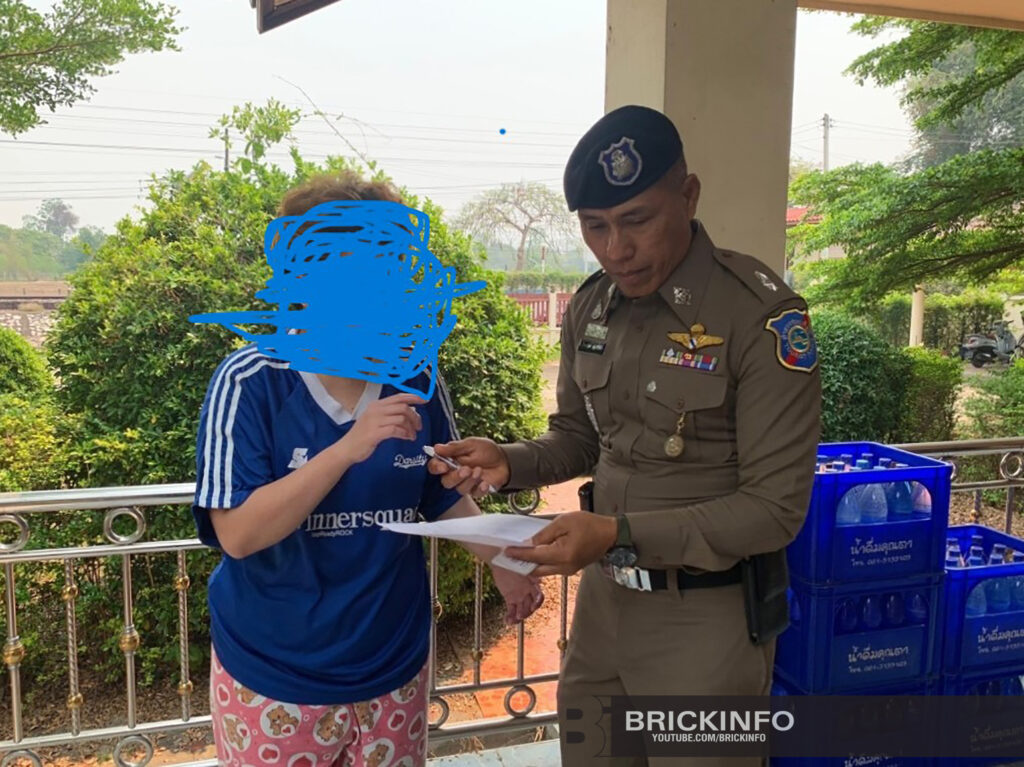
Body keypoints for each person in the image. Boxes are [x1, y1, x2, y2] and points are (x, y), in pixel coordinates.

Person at [429, 105, 822, 766]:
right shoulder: (592, 304)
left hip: (705, 621)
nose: (616, 248)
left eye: (637, 219)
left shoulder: (758, 316)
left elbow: (774, 509)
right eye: (595, 226)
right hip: (604, 610)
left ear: (688, 196)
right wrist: (509, 462)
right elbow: (579, 438)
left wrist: (617, 532)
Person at [191, 172, 543, 767]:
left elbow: (438, 494)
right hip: (275, 673)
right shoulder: (250, 381)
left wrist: (504, 562)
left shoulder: (415, 378)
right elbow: (239, 534)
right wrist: (346, 449)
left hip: (393, 664)